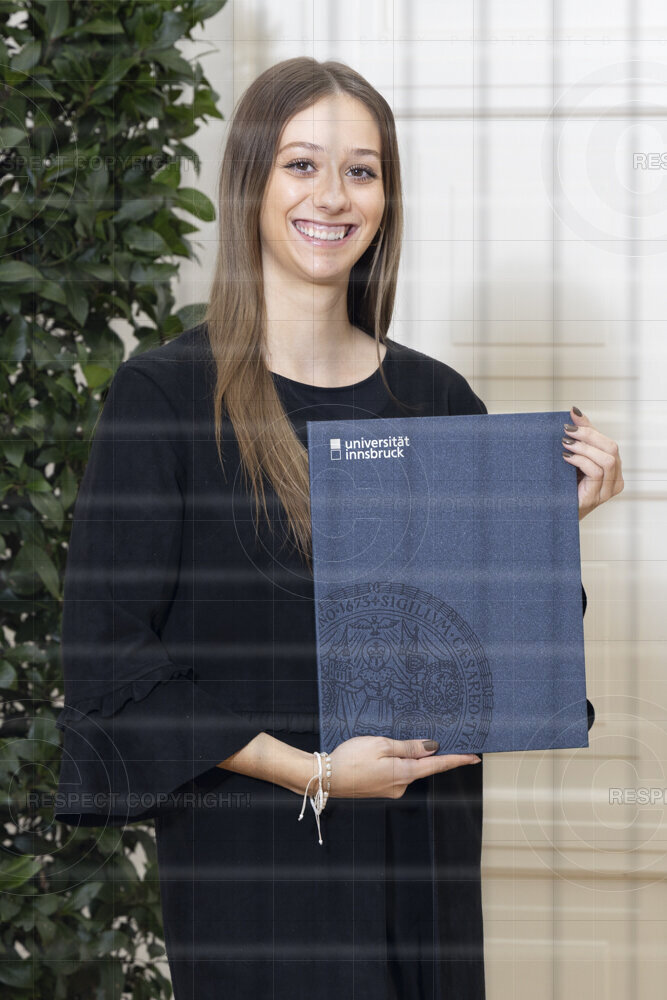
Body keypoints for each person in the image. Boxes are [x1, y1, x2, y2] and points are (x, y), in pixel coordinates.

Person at [54, 57, 624, 1000]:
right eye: (301, 165)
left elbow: (490, 656)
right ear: (251, 183)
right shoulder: (165, 399)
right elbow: (110, 659)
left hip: (422, 860)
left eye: (361, 171)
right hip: (258, 872)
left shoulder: (437, 399)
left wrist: (547, 528)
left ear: (385, 199)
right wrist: (314, 772)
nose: (332, 196)